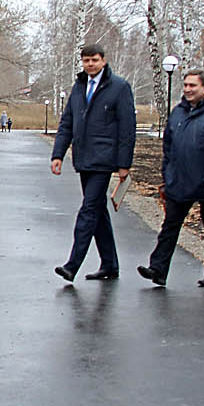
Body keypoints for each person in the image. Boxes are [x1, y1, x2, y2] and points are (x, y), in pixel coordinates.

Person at [50, 45, 137, 282]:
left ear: (103, 60)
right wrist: (58, 154)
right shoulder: (79, 87)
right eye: (86, 60)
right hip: (84, 158)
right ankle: (110, 264)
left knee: (88, 210)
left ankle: (72, 264)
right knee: (98, 211)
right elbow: (67, 122)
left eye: (94, 60)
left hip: (105, 159)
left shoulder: (118, 87)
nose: (90, 64)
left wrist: (124, 164)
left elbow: (128, 128)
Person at [137, 69, 204, 288]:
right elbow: (168, 146)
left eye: (193, 86)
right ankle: (158, 269)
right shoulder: (178, 112)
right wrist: (167, 174)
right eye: (186, 85)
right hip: (179, 181)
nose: (188, 89)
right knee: (169, 226)